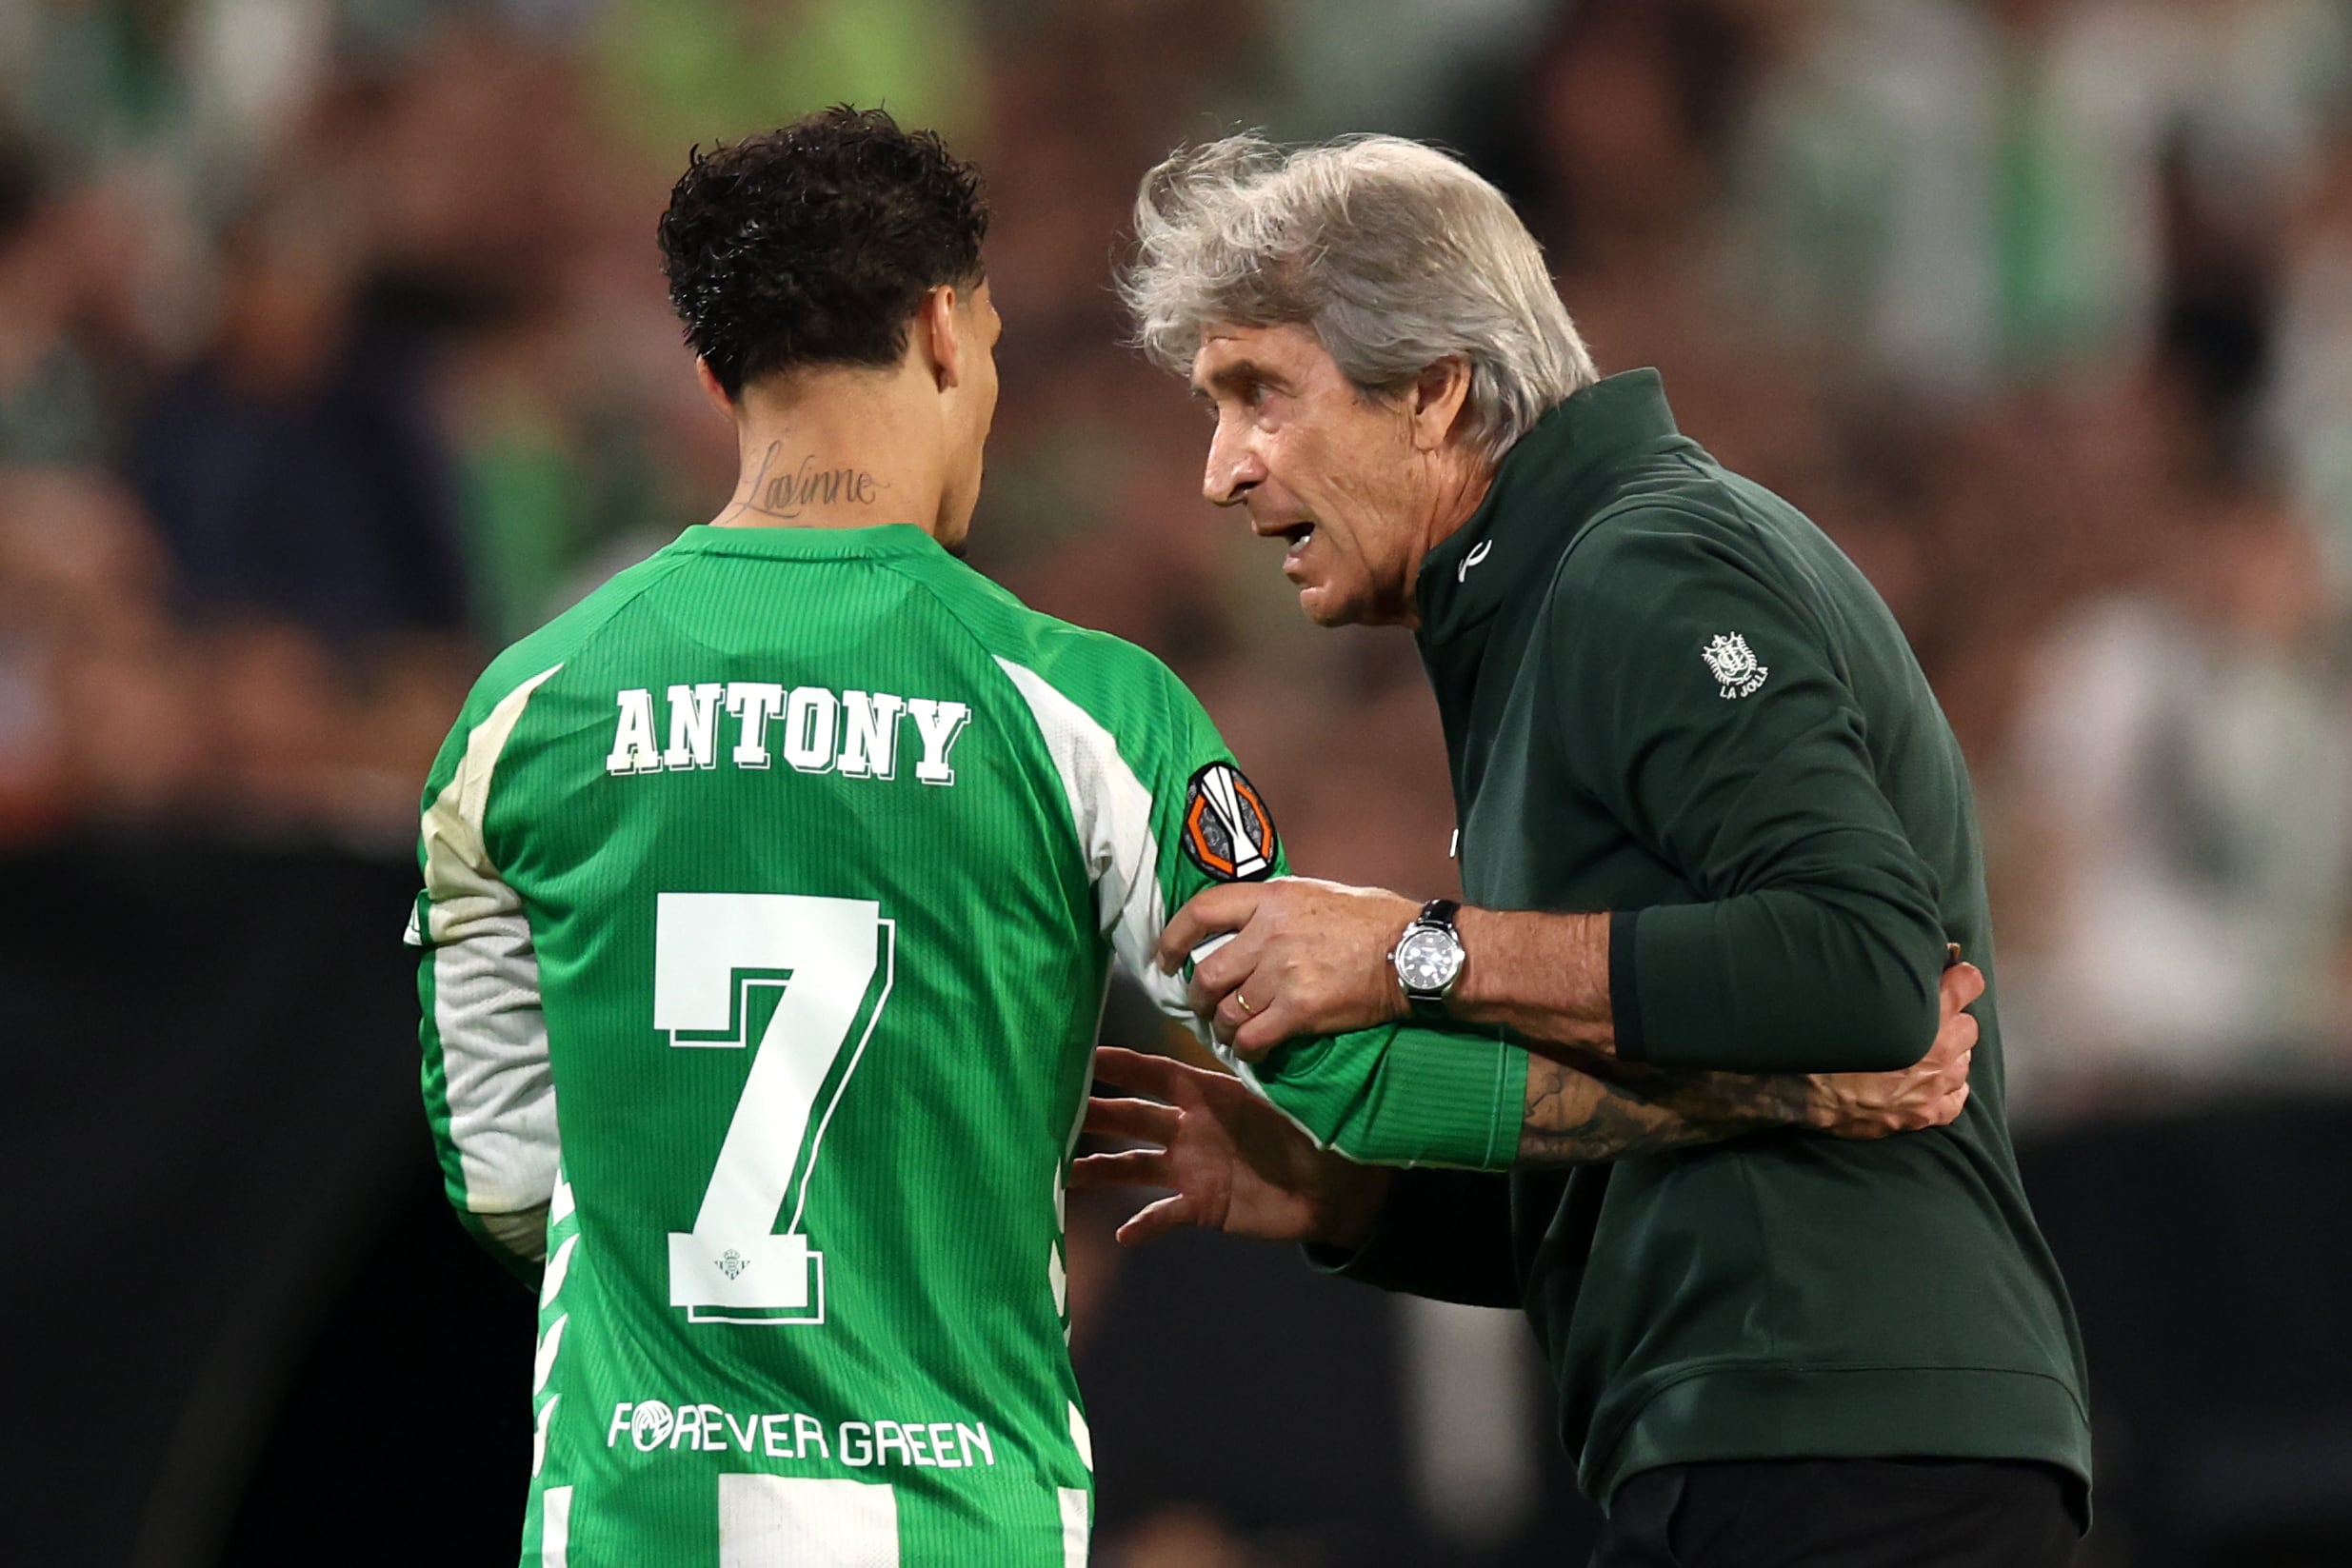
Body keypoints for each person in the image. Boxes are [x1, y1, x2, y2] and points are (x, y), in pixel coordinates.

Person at [409, 109, 1983, 1568]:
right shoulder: (1084, 710)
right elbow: (1345, 1066)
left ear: (711, 379)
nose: (1221, 461)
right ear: (950, 332)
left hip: (625, 1515)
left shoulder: (521, 713)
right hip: (951, 1516)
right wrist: (1757, 1098)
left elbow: (505, 1178)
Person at [1083, 132, 2092, 1567]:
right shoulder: (1555, 604)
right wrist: (1343, 1197)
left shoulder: (1643, 565)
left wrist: (1410, 949)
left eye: (1259, 395)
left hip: (1841, 1451)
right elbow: (1669, 1161)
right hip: (1771, 1445)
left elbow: (1865, 968)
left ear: (1433, 391)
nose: (1218, 470)